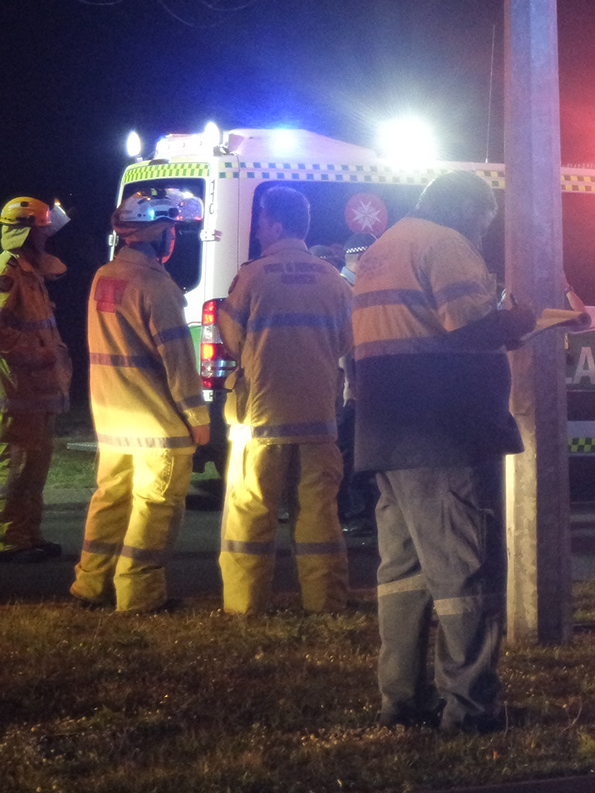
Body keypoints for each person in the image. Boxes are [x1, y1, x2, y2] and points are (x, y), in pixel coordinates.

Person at [353, 171, 534, 732]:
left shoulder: (383, 249)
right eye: (484, 221)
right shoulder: (445, 244)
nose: (483, 233)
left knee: (403, 574)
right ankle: (472, 708)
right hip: (445, 433)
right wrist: (525, 319)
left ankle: (403, 699)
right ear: (466, 208)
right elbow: (469, 329)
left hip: (387, 431)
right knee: (465, 572)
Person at [216, 186, 355, 614]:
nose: (258, 230)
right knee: (318, 515)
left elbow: (232, 339)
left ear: (276, 225)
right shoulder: (333, 279)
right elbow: (347, 342)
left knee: (251, 512)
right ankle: (325, 603)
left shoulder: (252, 277)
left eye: (262, 221)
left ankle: (245, 606)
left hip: (261, 418)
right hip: (318, 419)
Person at [71, 190, 210, 612]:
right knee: (155, 507)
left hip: (113, 419)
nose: (174, 239)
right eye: (172, 230)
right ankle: (140, 594)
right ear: (158, 234)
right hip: (155, 423)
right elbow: (178, 360)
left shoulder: (104, 276)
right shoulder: (156, 286)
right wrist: (198, 417)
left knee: (110, 500)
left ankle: (91, 584)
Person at [0, 197, 73, 563]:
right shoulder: (8, 270)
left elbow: (55, 266)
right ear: (27, 233)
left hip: (36, 390)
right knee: (15, 466)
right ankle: (8, 539)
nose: (47, 235)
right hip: (16, 390)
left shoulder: (29, 269)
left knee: (33, 466)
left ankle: (28, 534)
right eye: (42, 230)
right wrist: (37, 352)